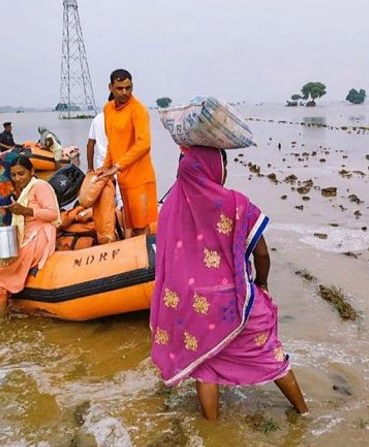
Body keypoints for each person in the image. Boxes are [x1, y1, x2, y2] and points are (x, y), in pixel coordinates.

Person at [149, 145, 309, 421]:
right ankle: (304, 413)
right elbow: (261, 253)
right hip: (232, 301)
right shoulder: (236, 204)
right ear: (214, 168)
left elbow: (165, 260)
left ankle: (212, 429)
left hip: (191, 303)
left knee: (205, 365)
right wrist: (263, 285)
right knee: (269, 354)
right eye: (224, 164)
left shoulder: (169, 208)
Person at [0, 156, 61, 317]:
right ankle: (3, 313)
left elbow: (52, 213)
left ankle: (2, 320)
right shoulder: (21, 191)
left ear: (31, 171)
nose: (17, 178)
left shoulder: (40, 186)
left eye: (21, 174)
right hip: (25, 235)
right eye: (14, 175)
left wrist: (26, 211)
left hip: (39, 236)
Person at [96, 69, 158, 238]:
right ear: (110, 87)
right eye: (119, 88)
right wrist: (105, 167)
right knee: (129, 225)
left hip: (141, 178)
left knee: (142, 227)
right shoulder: (108, 109)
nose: (124, 92)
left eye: (128, 88)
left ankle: (150, 262)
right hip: (123, 179)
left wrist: (117, 166)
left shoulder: (138, 109)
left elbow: (144, 144)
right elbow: (112, 143)